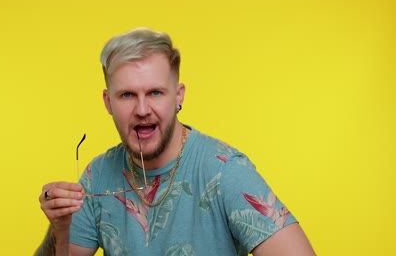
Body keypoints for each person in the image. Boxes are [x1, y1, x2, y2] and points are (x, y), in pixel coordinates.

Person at [36, 27, 316, 256]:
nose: (142, 109)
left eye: (156, 93)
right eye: (127, 95)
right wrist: (59, 228)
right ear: (108, 102)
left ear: (178, 96)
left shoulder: (224, 171)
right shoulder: (96, 176)